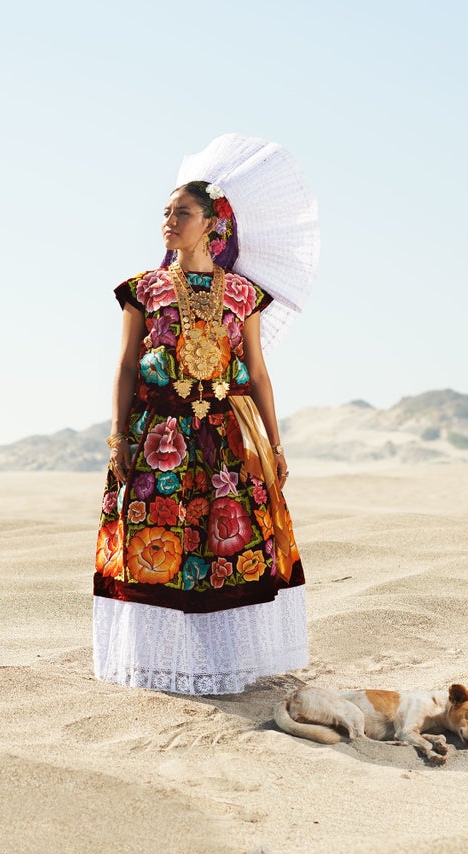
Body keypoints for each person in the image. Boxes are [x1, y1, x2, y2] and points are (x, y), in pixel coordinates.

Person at [93, 177, 309, 695]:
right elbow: (126, 366)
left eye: (182, 212)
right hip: (158, 434)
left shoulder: (243, 295)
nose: (169, 221)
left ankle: (227, 663)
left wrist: (275, 446)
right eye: (166, 212)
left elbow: (256, 373)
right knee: (157, 539)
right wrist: (118, 437)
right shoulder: (143, 287)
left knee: (229, 547)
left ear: (212, 224)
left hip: (229, 436)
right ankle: (162, 665)